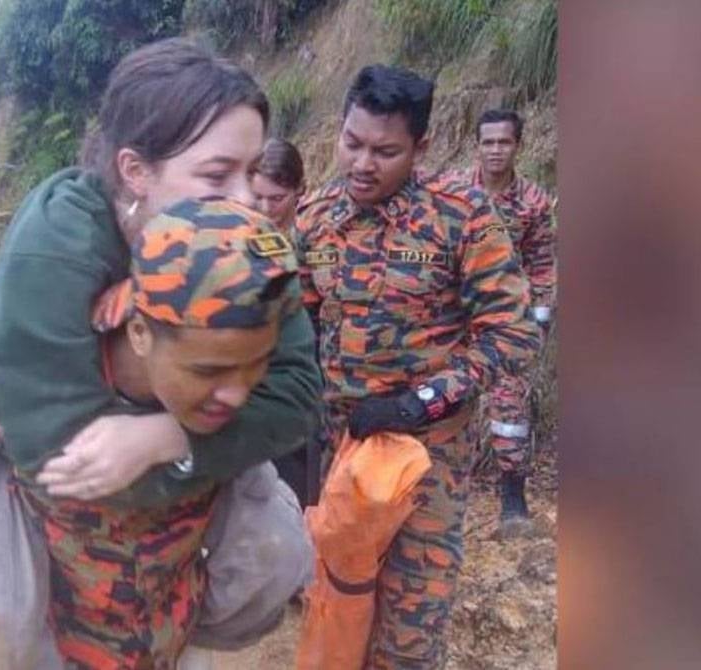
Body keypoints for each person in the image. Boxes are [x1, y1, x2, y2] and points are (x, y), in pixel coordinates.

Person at [0, 37, 320, 668]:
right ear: (135, 172)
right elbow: (55, 448)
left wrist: (169, 439)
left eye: (252, 173)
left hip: (161, 455)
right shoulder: (59, 245)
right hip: (27, 453)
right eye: (217, 174)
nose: (248, 199)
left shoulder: (243, 259)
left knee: (275, 549)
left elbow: (300, 394)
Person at [292, 64, 540, 668]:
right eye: (352, 143)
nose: (362, 164)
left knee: (408, 630)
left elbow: (511, 333)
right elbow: (297, 325)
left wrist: (420, 403)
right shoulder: (316, 218)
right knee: (340, 609)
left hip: (427, 461)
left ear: (421, 147)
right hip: (344, 453)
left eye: (385, 151)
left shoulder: (462, 216)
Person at [436, 108, 557, 536]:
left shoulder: (534, 203)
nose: (494, 150)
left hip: (505, 321)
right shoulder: (452, 191)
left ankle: (512, 501)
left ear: (518, 146)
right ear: (476, 145)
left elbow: (542, 265)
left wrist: (537, 322)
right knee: (447, 401)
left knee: (509, 409)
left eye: (503, 142)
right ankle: (441, 495)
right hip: (455, 319)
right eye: (487, 142)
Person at [249, 138, 318, 506]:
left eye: (276, 199)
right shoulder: (239, 239)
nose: (264, 209)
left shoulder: (317, 242)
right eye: (256, 197)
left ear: (299, 192)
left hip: (303, 387)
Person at [252, 138, 306, 232]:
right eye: (257, 197)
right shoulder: (235, 237)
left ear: (299, 188)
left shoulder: (316, 236)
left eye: (277, 198)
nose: (266, 209)